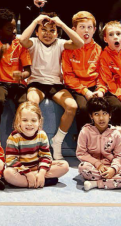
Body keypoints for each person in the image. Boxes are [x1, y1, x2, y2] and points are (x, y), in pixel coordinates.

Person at [18, 14, 84, 159]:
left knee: (72, 106)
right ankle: (36, 140)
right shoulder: (34, 42)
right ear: (37, 32)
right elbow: (22, 40)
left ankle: (57, 141)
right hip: (36, 83)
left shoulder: (60, 43)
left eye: (52, 30)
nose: (48, 34)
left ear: (57, 33)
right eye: (44, 30)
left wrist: (62, 24)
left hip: (55, 84)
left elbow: (80, 43)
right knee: (32, 103)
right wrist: (35, 20)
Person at [3, 102, 70, 188]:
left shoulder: (42, 135)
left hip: (37, 167)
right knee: (7, 173)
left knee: (64, 166)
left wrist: (42, 173)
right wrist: (28, 173)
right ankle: (41, 181)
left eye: (33, 120)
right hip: (21, 170)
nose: (29, 124)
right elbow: (11, 161)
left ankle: (34, 180)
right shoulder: (14, 137)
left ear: (39, 121)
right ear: (19, 121)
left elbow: (46, 156)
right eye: (25, 120)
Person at [76, 97, 121, 191]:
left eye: (104, 113)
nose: (101, 118)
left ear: (110, 115)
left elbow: (119, 156)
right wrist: (98, 164)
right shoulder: (85, 131)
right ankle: (115, 182)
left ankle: (96, 183)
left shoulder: (115, 133)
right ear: (91, 116)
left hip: (110, 167)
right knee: (83, 167)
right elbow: (81, 153)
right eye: (96, 114)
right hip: (94, 167)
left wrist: (113, 169)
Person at [0, 9, 31, 130]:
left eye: (15, 27)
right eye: (10, 29)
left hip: (18, 84)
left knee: (23, 105)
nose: (14, 31)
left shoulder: (20, 44)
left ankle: (21, 133)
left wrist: (21, 75)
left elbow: (28, 71)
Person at [61, 11, 104, 130]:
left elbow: (102, 74)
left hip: (94, 87)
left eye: (89, 27)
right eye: (82, 27)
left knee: (107, 106)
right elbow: (68, 77)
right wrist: (85, 92)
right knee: (84, 107)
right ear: (74, 29)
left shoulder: (98, 49)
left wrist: (100, 90)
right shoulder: (68, 49)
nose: (86, 31)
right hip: (76, 88)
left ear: (94, 30)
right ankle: (83, 137)